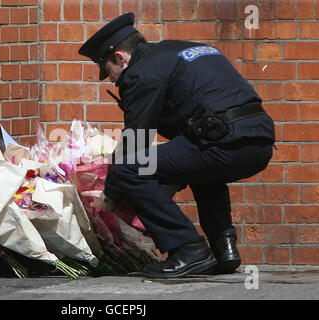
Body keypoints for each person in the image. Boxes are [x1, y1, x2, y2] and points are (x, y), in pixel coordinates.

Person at [78, 13, 275, 278]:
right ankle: (223, 247)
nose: (112, 80)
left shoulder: (140, 72)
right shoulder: (179, 50)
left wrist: (110, 194)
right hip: (258, 140)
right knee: (200, 165)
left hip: (225, 140)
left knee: (128, 168)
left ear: (120, 58)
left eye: (107, 71)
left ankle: (188, 249)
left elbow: (136, 138)